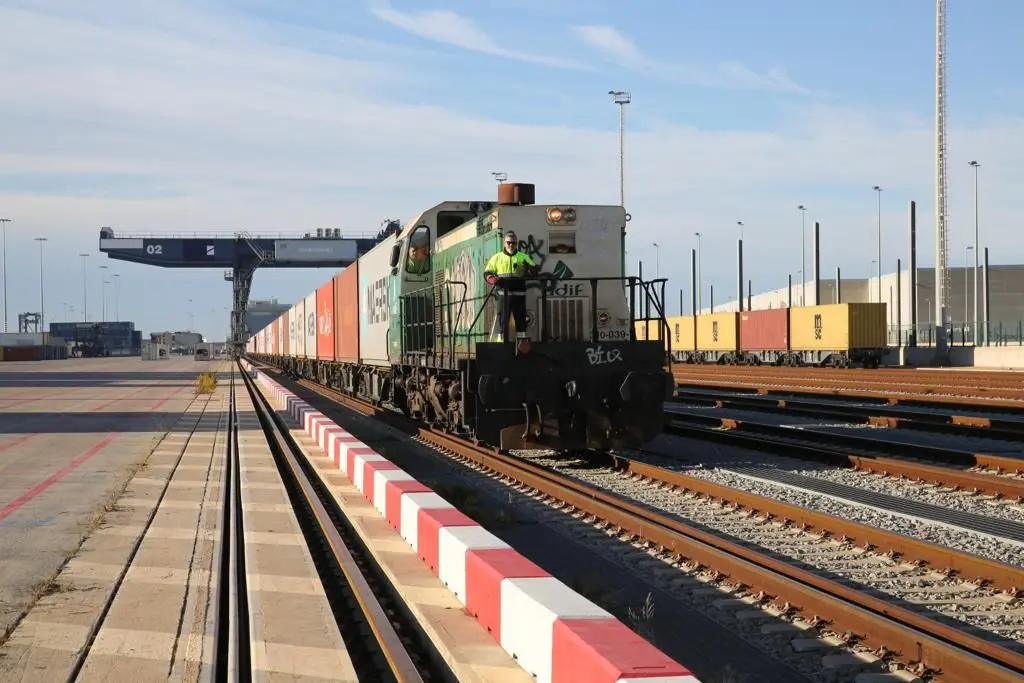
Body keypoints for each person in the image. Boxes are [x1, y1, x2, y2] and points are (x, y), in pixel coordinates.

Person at [483, 230, 538, 341]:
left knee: (521, 320)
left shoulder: (523, 256)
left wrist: (531, 270)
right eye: (509, 242)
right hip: (503, 295)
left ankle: (522, 343)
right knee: (502, 320)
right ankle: (501, 342)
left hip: (519, 294)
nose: (511, 245)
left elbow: (534, 270)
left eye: (513, 243)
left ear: (516, 243)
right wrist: (492, 279)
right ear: (504, 243)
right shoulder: (497, 257)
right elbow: (487, 272)